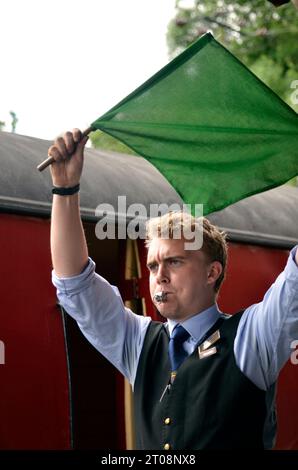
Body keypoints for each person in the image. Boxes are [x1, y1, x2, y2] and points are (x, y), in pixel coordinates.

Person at [48, 129, 298, 450]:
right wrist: (65, 188)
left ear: (212, 272)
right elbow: (75, 284)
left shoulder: (250, 337)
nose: (159, 276)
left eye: (175, 262)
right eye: (153, 266)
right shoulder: (140, 342)